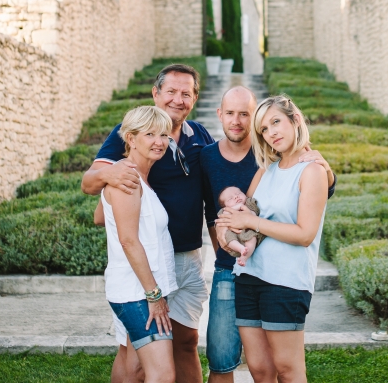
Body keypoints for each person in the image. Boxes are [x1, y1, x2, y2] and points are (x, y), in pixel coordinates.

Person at [83, 64, 213, 383]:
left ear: (195, 98)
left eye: (186, 93)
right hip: (141, 275)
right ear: (156, 93)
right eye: (170, 91)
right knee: (141, 362)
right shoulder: (129, 154)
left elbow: (214, 188)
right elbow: (92, 185)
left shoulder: (198, 136)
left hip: (181, 263)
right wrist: (108, 175)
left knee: (185, 343)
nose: (178, 99)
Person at [201, 87, 336, 383]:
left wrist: (253, 222)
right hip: (249, 278)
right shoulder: (266, 170)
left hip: (285, 282)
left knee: (288, 370)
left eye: (276, 122)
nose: (271, 132)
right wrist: (228, 225)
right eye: (263, 128)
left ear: (295, 119)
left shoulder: (313, 171)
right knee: (260, 370)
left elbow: (304, 234)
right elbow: (244, 218)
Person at [102, 106, 177, 383]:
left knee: (134, 366)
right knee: (163, 374)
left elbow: (102, 214)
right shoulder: (129, 180)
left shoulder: (136, 177)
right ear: (131, 139)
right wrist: (154, 296)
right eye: (150, 134)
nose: (159, 142)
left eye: (164, 135)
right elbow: (128, 240)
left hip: (140, 289)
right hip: (138, 293)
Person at [216, 186, 262, 266]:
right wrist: (238, 207)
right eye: (230, 199)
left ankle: (244, 257)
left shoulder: (249, 202)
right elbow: (223, 217)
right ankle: (240, 248)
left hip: (248, 231)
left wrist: (242, 207)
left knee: (252, 238)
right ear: (225, 206)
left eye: (238, 193)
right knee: (228, 236)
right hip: (234, 234)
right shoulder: (224, 211)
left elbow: (254, 214)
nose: (236, 196)